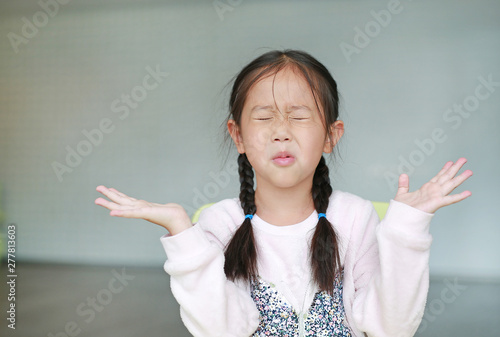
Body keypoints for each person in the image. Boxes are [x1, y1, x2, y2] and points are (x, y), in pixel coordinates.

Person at [95, 49, 473, 337]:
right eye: (263, 117)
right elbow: (223, 329)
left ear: (330, 135)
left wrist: (406, 230)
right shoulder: (220, 223)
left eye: (299, 115)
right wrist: (182, 231)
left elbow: (390, 328)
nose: (281, 131)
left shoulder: (354, 217)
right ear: (238, 135)